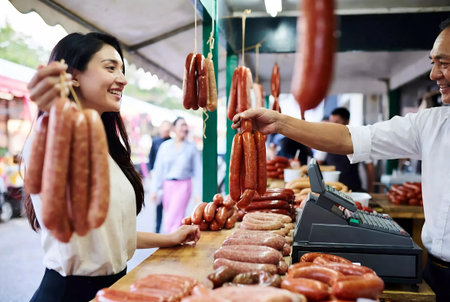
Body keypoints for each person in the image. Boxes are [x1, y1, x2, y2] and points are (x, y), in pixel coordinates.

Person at [232, 18, 450, 302]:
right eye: (432, 62)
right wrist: (279, 122)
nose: (434, 74)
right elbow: (350, 138)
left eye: (445, 63)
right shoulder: (432, 123)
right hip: (436, 271)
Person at [22, 32, 200, 302]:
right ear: (74, 75)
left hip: (116, 287)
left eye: (122, 69)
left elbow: (112, 234)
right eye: (110, 67)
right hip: (69, 294)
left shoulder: (106, 146)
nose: (123, 79)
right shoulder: (50, 138)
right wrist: (54, 107)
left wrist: (170, 238)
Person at [150, 116, 202, 233]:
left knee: (174, 217)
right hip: (167, 187)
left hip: (183, 186)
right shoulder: (165, 146)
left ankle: (171, 239)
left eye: (185, 125)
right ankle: (176, 240)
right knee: (171, 216)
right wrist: (154, 189)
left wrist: (197, 193)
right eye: (181, 125)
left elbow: (198, 171)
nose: (184, 128)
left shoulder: (191, 147)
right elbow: (158, 169)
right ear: (174, 128)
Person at [320, 107, 375, 192]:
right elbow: (318, 163)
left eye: (336, 122)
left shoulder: (357, 140)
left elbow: (369, 167)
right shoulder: (326, 141)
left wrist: (371, 190)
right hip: (331, 191)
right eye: (331, 122)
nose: (332, 125)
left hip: (354, 190)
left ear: (347, 122)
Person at [147, 120, 172, 233]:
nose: (165, 131)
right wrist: (151, 170)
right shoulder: (156, 142)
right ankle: (157, 228)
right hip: (157, 174)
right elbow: (151, 157)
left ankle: (169, 229)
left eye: (167, 129)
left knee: (170, 205)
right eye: (164, 128)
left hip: (168, 177)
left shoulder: (172, 142)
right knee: (158, 204)